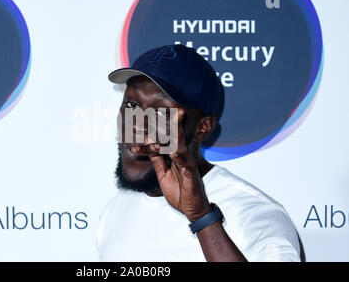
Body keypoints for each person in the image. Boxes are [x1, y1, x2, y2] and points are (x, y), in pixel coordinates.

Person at [96, 44, 301, 262]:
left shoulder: (256, 216)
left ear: (203, 128)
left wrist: (202, 218)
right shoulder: (114, 213)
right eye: (131, 104)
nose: (136, 125)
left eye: (160, 113)